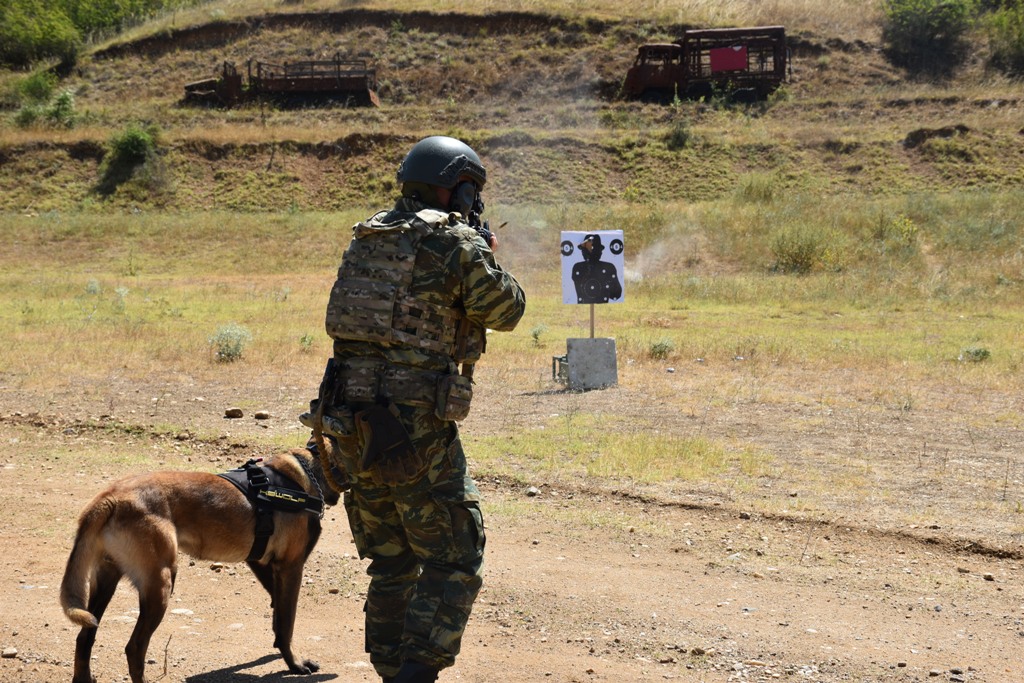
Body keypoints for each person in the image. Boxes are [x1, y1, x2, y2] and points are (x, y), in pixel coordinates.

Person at [303, 135, 526, 683]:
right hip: (416, 424)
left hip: (352, 418)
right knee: (455, 553)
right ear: (460, 187)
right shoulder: (454, 242)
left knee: (393, 559)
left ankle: (391, 669)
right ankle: (416, 673)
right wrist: (486, 250)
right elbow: (508, 309)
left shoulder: (369, 233)